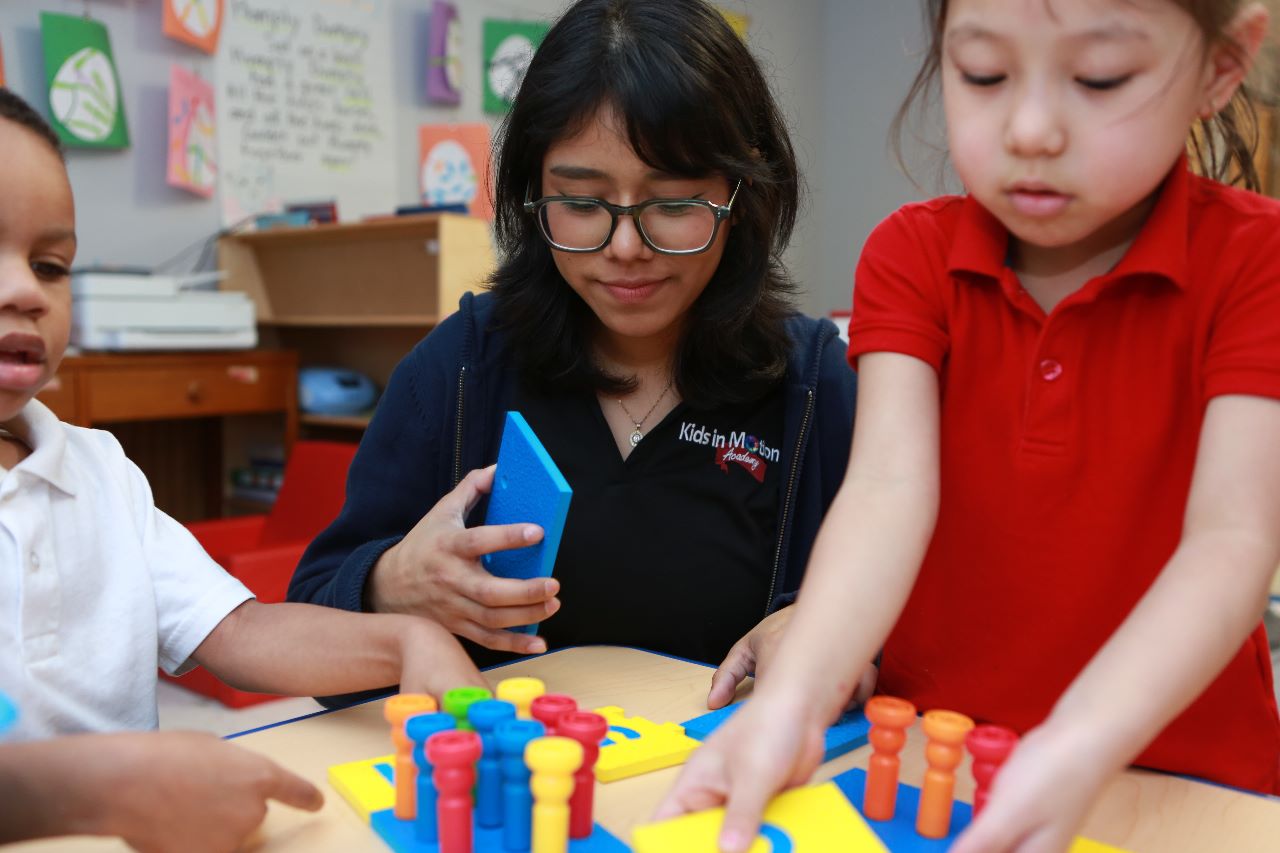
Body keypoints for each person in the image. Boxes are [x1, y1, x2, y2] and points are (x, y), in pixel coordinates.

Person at [658, 1, 1280, 851]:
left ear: (1221, 64)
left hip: (1183, 781)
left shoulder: (1256, 263)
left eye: (1099, 79)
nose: (1029, 129)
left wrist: (1078, 741)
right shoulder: (912, 256)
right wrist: (796, 699)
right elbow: (885, 493)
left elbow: (1230, 544)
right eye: (983, 74)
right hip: (922, 766)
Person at [288, 0, 858, 693]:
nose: (625, 249)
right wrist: (388, 583)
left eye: (674, 205)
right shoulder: (461, 367)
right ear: (533, 195)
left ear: (742, 195)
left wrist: (833, 624)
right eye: (583, 204)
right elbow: (311, 611)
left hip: (717, 785)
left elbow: (905, 623)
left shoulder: (813, 385)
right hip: (507, 787)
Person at [0, 88, 484, 851]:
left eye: (51, 263)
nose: (26, 290)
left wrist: (403, 642)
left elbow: (239, 629)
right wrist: (103, 786)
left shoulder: (101, 472)